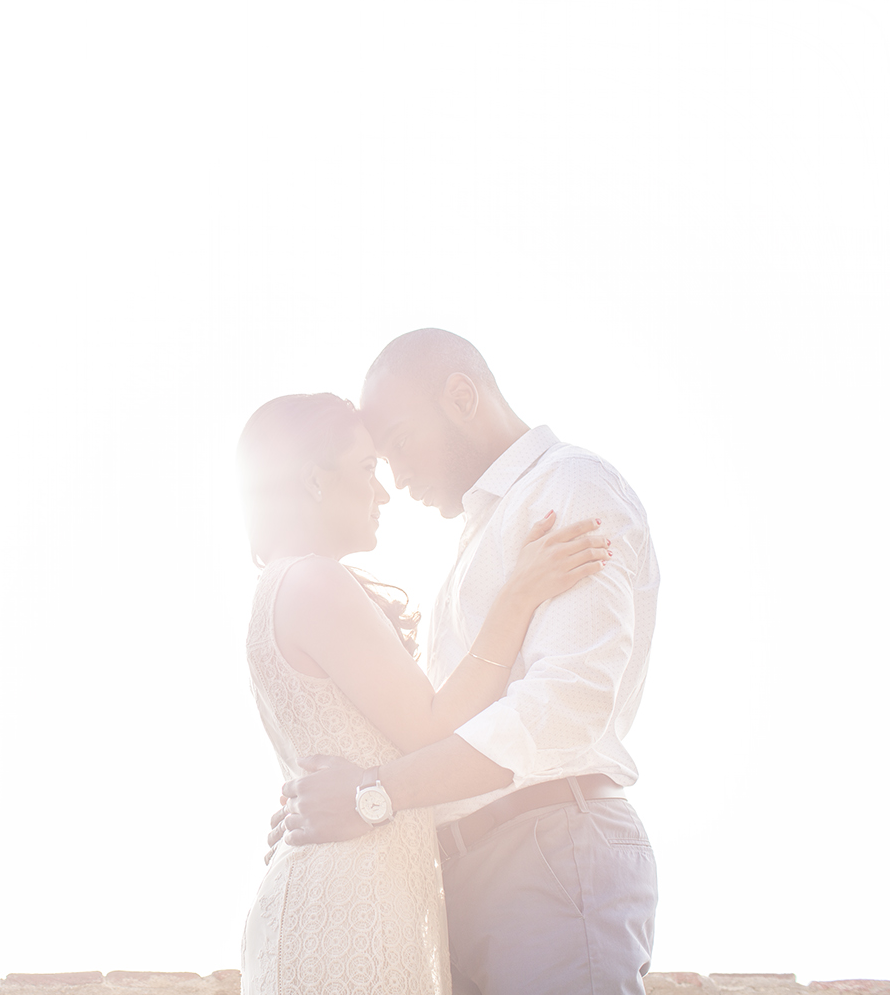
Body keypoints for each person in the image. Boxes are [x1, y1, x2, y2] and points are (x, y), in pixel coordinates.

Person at [268, 329, 660, 994]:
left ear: (461, 396)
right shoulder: (483, 534)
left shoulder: (568, 488)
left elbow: (563, 712)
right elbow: (433, 721)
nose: (395, 476)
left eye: (398, 442)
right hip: (469, 873)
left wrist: (373, 792)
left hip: (548, 852)